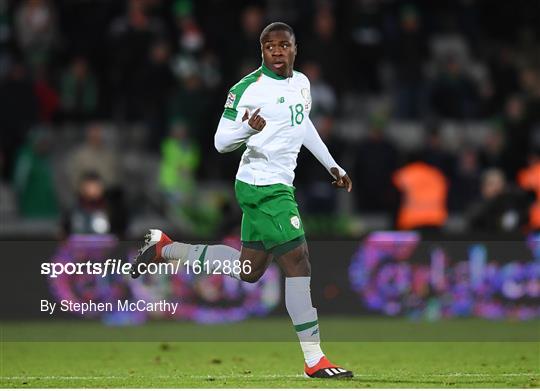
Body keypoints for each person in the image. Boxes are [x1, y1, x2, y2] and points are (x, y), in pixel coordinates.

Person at [131, 22, 353, 379]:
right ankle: (315, 359)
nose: (277, 52)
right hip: (263, 186)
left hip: (275, 184)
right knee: (298, 261)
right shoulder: (247, 88)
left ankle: (165, 249)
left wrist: (332, 165)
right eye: (269, 46)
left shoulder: (301, 83)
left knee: (249, 271)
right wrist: (249, 128)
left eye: (284, 45)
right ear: (261, 51)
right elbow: (220, 141)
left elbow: (303, 123)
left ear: (295, 48)